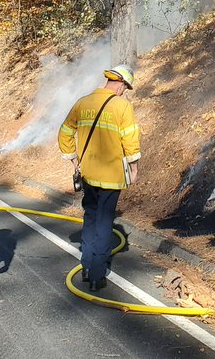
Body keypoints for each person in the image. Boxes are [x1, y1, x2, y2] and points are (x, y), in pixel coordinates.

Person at [57, 64, 142, 292]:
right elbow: (130, 140)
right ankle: (97, 275)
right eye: (125, 87)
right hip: (112, 176)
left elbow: (65, 132)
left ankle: (86, 267)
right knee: (105, 223)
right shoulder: (122, 106)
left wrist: (74, 160)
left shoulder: (83, 103)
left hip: (88, 173)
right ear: (120, 84)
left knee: (90, 218)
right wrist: (134, 168)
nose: (124, 92)